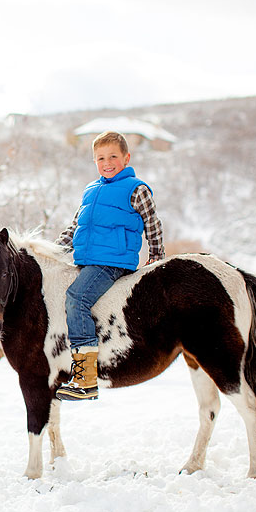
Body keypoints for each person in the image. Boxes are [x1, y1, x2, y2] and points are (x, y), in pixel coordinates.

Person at [54, 130, 164, 401]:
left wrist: (156, 254)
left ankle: (85, 377)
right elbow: (76, 226)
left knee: (76, 297)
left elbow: (152, 221)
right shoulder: (90, 191)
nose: (107, 162)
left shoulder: (135, 189)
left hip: (112, 262)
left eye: (113, 156)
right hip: (87, 261)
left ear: (126, 157)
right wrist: (56, 250)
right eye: (101, 158)